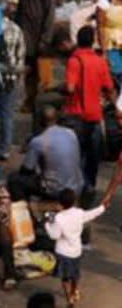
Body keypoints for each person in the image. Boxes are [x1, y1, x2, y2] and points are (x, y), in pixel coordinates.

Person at [63, 25, 116, 189]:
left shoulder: (74, 61)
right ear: (92, 42)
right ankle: (89, 186)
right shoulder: (100, 61)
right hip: (95, 115)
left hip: (76, 115)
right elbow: (109, 88)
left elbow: (70, 88)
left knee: (76, 154)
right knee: (93, 156)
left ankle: (74, 186)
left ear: (78, 40)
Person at [45, 188, 105, 308]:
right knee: (74, 275)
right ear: (74, 201)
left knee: (65, 278)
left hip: (63, 253)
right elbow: (91, 214)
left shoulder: (59, 218)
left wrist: (47, 224)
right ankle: (74, 291)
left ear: (60, 204)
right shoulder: (79, 213)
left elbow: (54, 235)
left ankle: (70, 301)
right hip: (76, 252)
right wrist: (102, 207)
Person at [8, 106, 84, 202]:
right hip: (76, 185)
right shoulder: (71, 133)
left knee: (14, 180)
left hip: (56, 189)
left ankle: (24, 209)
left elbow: (26, 170)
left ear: (40, 121)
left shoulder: (39, 141)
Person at [0, 2, 26, 161]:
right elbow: (20, 55)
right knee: (7, 114)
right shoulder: (16, 29)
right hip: (11, 77)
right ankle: (5, 149)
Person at [17, 0, 55, 110]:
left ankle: (44, 103)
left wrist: (45, 38)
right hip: (27, 35)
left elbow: (50, 14)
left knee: (44, 71)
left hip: (40, 35)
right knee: (30, 71)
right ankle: (30, 101)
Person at [98, 0, 122, 86]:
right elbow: (100, 27)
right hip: (111, 44)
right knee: (116, 72)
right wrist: (104, 51)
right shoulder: (105, 2)